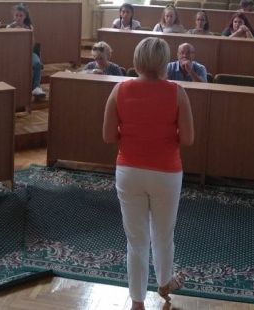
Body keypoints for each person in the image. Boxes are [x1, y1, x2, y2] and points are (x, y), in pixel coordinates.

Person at [102, 37, 194, 310]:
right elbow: (188, 139)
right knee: (164, 234)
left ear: (137, 60)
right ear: (165, 62)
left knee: (136, 240)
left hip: (129, 171)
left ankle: (137, 302)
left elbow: (108, 136)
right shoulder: (177, 92)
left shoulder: (119, 90)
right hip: (166, 172)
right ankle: (164, 282)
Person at [7, 3, 47, 98]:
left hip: (28, 53)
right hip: (14, 54)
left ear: (25, 16)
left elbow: (32, 44)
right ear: (13, 16)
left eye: (21, 16)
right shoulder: (9, 27)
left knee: (37, 63)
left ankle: (36, 87)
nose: (18, 18)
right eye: (16, 15)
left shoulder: (29, 27)